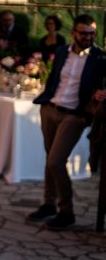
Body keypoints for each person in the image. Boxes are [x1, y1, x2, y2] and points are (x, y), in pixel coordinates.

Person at [28, 14, 106, 230]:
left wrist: (102, 92)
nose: (88, 37)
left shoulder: (100, 58)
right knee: (50, 158)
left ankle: (66, 211)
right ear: (73, 33)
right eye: (84, 33)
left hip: (75, 115)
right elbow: (54, 79)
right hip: (50, 109)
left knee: (56, 161)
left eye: (92, 33)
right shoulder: (62, 52)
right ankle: (48, 204)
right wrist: (45, 101)